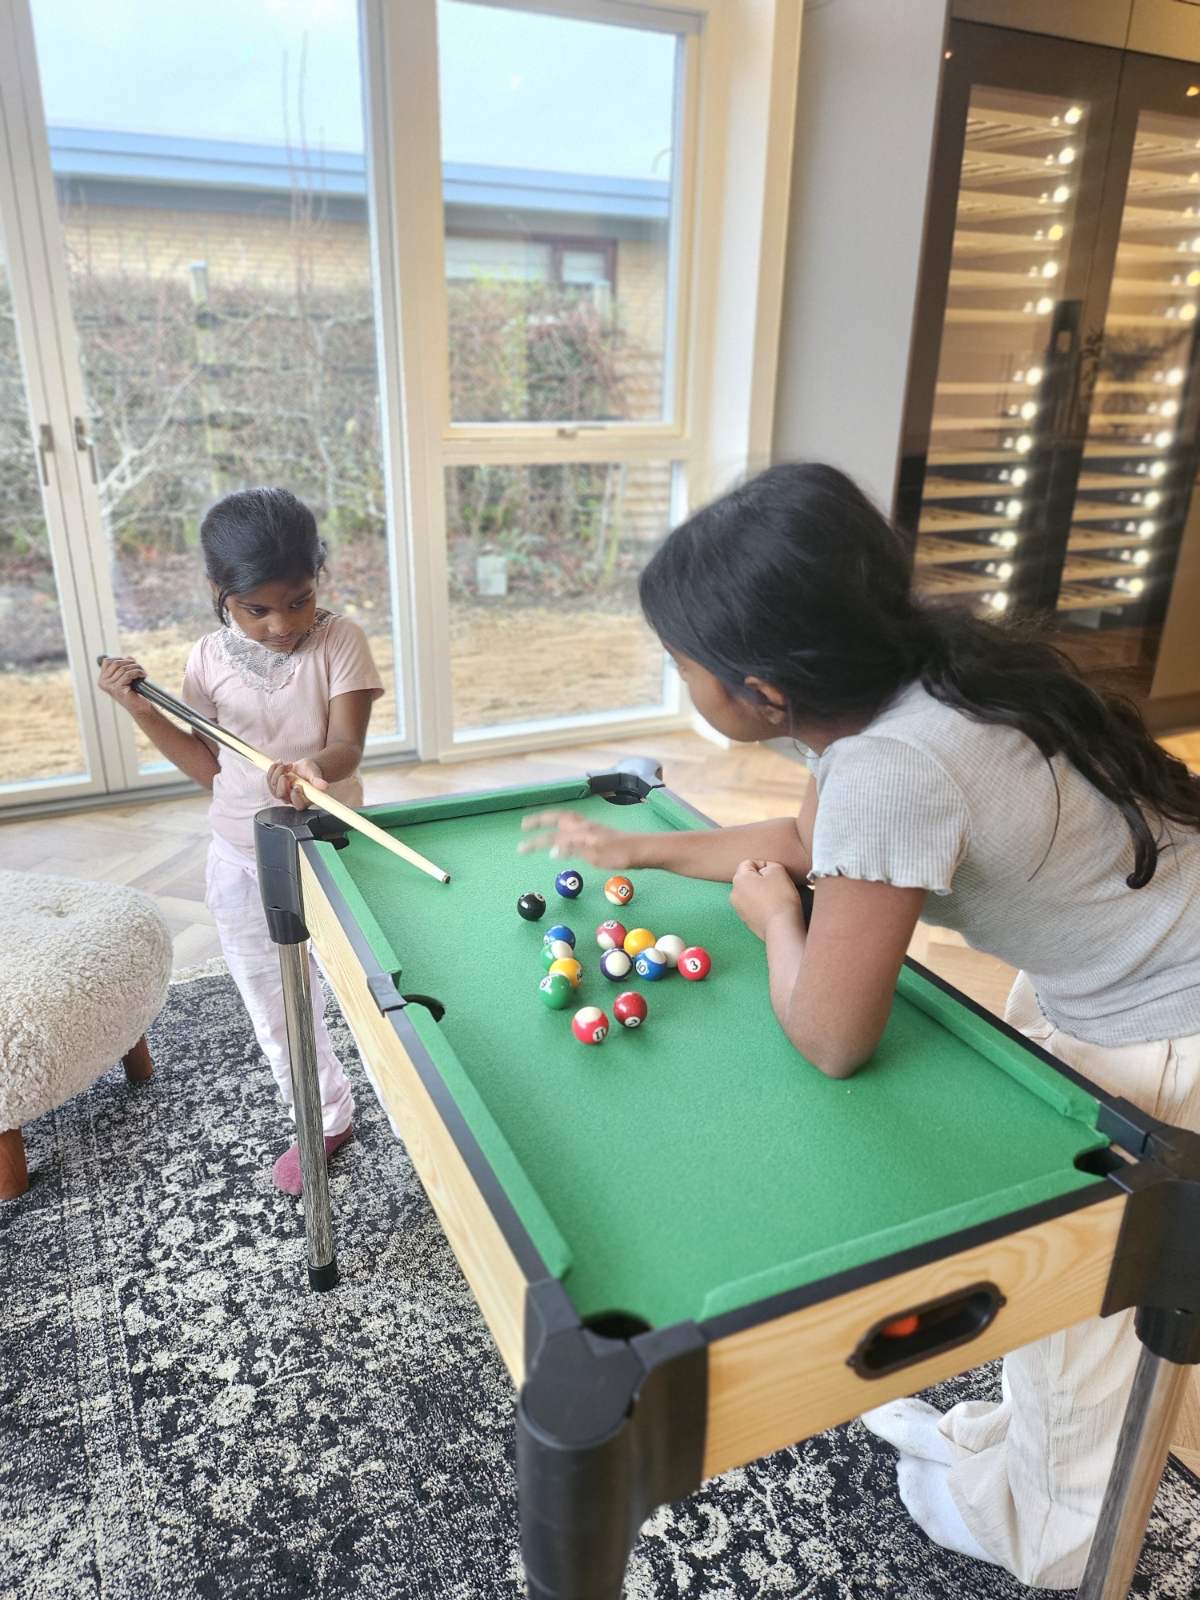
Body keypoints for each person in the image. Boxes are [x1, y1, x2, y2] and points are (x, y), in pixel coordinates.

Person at [520, 461, 1200, 1589]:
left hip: (1170, 1018)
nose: (679, 676)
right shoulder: (907, 675)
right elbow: (809, 840)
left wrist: (774, 920)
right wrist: (642, 846)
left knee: (1099, 1302)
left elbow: (834, 1036)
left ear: (761, 692)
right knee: (1054, 1270)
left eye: (682, 661)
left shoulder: (890, 766)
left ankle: (1058, 1534)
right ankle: (1021, 1443)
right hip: (1115, 969)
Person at [99, 487, 383, 1195]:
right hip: (239, 856)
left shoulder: (340, 640)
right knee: (274, 1004)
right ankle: (322, 1116)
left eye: (299, 601)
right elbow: (211, 766)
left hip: (327, 850)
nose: (282, 625)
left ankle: (421, 1113)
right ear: (218, 592)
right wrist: (139, 710)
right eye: (257, 609)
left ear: (317, 577)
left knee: (373, 994)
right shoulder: (207, 657)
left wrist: (315, 767)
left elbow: (347, 745)